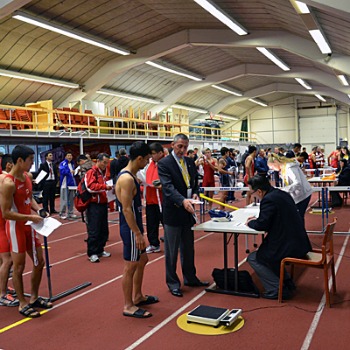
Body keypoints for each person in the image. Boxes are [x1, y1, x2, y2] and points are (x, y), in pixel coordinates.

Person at [1, 145, 53, 318]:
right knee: (19, 266)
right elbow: (6, 212)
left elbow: (29, 198)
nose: (33, 164)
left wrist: (38, 210)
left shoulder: (27, 176)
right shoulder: (8, 183)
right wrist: (30, 218)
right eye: (30, 160)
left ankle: (34, 298)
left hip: (29, 226)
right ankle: (22, 302)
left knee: (39, 263)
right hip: (16, 227)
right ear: (20, 160)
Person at [158, 133, 209, 298]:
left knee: (188, 248)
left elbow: (194, 183)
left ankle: (190, 277)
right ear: (173, 145)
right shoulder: (164, 163)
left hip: (188, 211)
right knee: (171, 251)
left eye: (185, 147)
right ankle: (173, 283)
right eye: (179, 146)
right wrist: (182, 201)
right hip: (173, 212)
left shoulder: (189, 162)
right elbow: (167, 187)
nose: (182, 150)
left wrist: (194, 195)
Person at [245, 175, 312, 300]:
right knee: (268, 253)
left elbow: (262, 225)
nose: (253, 196)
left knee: (254, 258)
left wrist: (251, 222)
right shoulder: (280, 194)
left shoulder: (268, 199)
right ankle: (286, 283)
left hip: (288, 244)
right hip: (297, 240)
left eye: (252, 193)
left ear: (259, 191)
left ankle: (276, 288)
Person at [116, 141, 158, 319]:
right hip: (130, 227)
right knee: (131, 266)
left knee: (142, 260)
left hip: (135, 225)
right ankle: (128, 305)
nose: (148, 162)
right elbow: (126, 209)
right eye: (147, 159)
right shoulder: (126, 179)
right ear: (139, 158)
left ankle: (138, 296)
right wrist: (137, 233)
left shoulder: (133, 175)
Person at [267, 153, 313, 227]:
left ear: (275, 162)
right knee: (296, 218)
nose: (273, 169)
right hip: (297, 195)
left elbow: (298, 183)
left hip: (303, 195)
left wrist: (284, 190)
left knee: (298, 218)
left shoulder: (289, 167)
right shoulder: (283, 169)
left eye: (272, 167)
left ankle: (300, 236)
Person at [84, 153, 112, 263]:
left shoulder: (105, 172)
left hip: (103, 204)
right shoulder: (91, 172)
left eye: (107, 163)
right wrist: (105, 187)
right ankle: (92, 252)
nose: (106, 165)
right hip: (93, 205)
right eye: (104, 163)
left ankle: (100, 249)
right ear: (98, 161)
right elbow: (90, 187)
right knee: (94, 229)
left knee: (103, 229)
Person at [137, 142, 164, 254]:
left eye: (153, 154)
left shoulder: (165, 164)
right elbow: (141, 175)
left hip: (162, 201)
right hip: (150, 199)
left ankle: (174, 243)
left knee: (167, 223)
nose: (151, 156)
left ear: (160, 153)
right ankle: (154, 244)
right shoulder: (149, 164)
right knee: (151, 224)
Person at [0, 154, 18, 307]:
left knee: (2, 260)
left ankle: (2, 288)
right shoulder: (4, 179)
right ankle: (2, 294)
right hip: (1, 224)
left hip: (2, 222)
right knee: (8, 260)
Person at [59, 152, 77, 220]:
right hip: (64, 184)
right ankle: (62, 213)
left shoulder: (72, 164)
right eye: (68, 155)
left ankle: (70, 212)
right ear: (65, 156)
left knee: (71, 199)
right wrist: (70, 171)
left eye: (71, 155)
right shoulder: (63, 163)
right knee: (64, 199)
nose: (70, 157)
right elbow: (62, 171)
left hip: (71, 184)